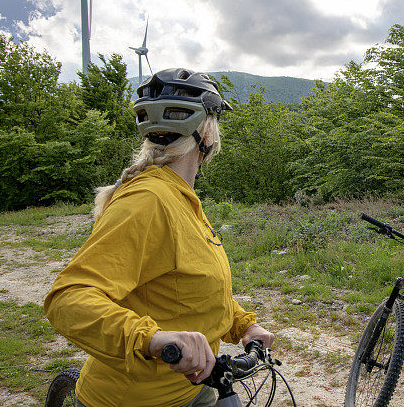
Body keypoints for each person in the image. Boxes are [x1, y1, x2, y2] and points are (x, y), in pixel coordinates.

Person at [45, 68, 274, 407]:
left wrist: (243, 326)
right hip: (136, 398)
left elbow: (190, 290)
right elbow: (68, 298)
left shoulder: (180, 198)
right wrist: (152, 339)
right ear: (207, 134)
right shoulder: (148, 201)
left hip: (194, 387)